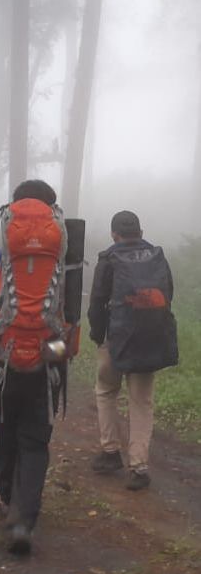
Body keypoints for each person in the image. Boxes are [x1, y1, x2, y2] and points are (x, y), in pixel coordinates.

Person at [0, 180, 83, 555]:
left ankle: (6, 498)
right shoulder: (67, 252)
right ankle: (24, 519)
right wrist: (57, 352)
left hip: (4, 359)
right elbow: (71, 316)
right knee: (35, 439)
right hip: (47, 359)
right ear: (52, 213)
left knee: (5, 427)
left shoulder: (0, 256)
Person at [88, 210, 178, 490]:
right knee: (141, 402)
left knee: (106, 392)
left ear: (114, 234)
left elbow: (96, 303)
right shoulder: (157, 256)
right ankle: (139, 467)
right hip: (149, 339)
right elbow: (168, 296)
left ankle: (111, 451)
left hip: (116, 339)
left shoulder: (108, 259)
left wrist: (99, 336)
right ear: (141, 232)